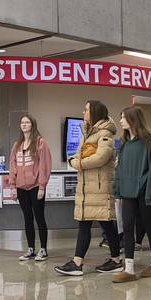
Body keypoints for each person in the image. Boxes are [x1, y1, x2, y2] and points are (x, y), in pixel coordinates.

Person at [55, 100, 122, 276]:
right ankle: (78, 262)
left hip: (100, 188)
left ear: (95, 112)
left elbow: (101, 157)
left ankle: (115, 260)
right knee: (86, 224)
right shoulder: (86, 133)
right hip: (86, 187)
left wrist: (79, 163)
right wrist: (76, 161)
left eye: (86, 110)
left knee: (106, 225)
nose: (83, 112)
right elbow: (77, 154)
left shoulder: (105, 134)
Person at [111, 106, 151, 282]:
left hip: (143, 194)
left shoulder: (149, 141)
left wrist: (148, 194)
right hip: (127, 193)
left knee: (148, 226)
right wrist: (117, 190)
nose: (120, 121)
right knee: (126, 228)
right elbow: (119, 169)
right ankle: (129, 269)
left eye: (123, 117)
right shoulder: (124, 143)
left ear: (133, 119)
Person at [8, 114, 52, 261]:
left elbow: (44, 165)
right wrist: (13, 186)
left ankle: (44, 249)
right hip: (21, 187)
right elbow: (13, 166)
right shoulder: (17, 145)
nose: (24, 124)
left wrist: (42, 186)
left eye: (27, 122)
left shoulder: (40, 143)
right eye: (22, 122)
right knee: (27, 218)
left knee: (39, 217)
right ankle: (31, 249)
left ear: (32, 124)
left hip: (35, 187)